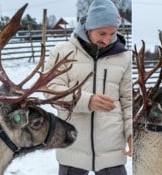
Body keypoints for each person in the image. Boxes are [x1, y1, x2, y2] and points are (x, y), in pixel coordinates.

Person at [44, 0, 132, 174]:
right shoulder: (61, 52)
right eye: (102, 33)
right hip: (72, 146)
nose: (107, 40)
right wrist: (86, 101)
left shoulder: (124, 58)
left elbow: (128, 102)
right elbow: (50, 90)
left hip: (112, 150)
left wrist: (131, 135)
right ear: (89, 27)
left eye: (113, 33)